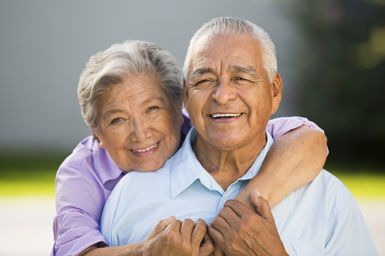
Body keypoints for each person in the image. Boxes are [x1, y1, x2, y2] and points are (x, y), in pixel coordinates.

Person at [100, 17, 377, 255]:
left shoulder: (327, 199)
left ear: (275, 91)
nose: (222, 95)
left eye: (242, 78)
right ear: (186, 95)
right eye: (205, 80)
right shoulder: (130, 196)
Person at [52, 40, 327, 256]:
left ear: (178, 107)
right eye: (118, 120)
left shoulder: (203, 127)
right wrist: (148, 252)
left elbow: (309, 139)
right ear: (96, 131)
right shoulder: (81, 171)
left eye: (152, 109)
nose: (141, 132)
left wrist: (237, 211)